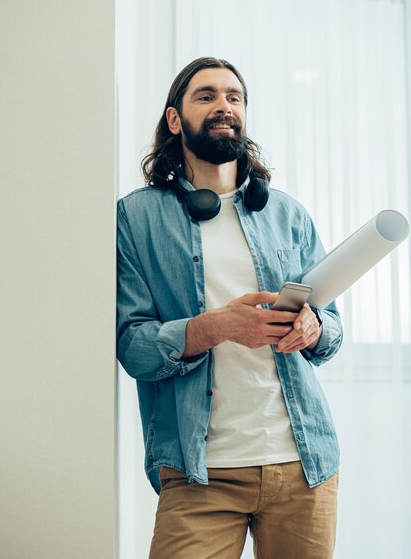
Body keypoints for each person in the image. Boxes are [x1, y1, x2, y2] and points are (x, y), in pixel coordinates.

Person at [117, 57, 343, 559]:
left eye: (234, 97)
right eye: (207, 96)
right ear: (175, 120)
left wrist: (314, 326)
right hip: (199, 473)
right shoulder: (134, 217)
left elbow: (333, 333)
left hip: (303, 465)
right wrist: (214, 327)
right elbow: (133, 347)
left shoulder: (288, 214)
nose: (224, 105)